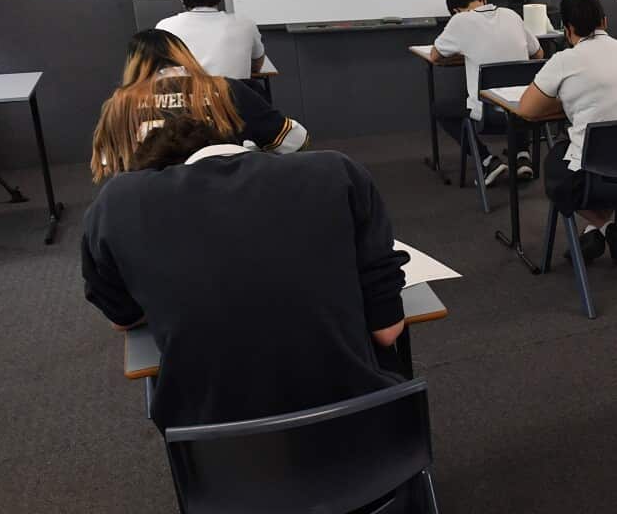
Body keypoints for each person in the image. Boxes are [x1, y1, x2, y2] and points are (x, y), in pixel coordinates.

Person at [82, 110, 408, 430]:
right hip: (364, 435)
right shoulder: (337, 171)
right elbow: (387, 330)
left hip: (220, 456)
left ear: (157, 173)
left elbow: (121, 317)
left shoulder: (116, 204)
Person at [518, 0, 617, 264]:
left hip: (596, 177)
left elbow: (526, 109)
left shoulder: (564, 61)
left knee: (556, 167)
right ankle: (603, 230)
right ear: (604, 21)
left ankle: (603, 228)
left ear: (567, 29)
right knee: (593, 154)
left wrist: (571, 101)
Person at [89, 29, 307, 181]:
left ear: (133, 64)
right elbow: (294, 141)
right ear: (183, 54)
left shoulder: (120, 102)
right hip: (227, 197)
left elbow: (107, 163)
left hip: (150, 209)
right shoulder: (225, 88)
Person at [429, 0, 544, 185]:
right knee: (512, 89)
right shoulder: (511, 15)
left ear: (456, 10)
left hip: (489, 116)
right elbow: (538, 53)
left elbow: (435, 56)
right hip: (526, 109)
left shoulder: (460, 21)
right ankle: (522, 155)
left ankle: (486, 160)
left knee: (440, 109)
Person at [156, 0, 266, 80]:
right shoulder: (246, 24)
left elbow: (161, 71)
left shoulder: (165, 27)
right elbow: (256, 65)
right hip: (234, 97)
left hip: (190, 97)